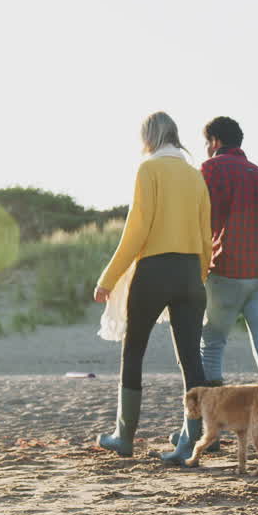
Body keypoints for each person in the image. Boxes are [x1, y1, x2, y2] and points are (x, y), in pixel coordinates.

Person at [167, 116, 258, 461]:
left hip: (229, 270)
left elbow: (203, 221)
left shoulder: (211, 169)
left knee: (212, 345)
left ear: (215, 141)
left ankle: (212, 433)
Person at [94, 112, 212, 463]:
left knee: (134, 351)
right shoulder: (195, 175)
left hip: (154, 272)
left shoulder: (149, 170)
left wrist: (107, 279)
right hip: (190, 273)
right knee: (191, 359)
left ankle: (124, 437)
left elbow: (137, 230)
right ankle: (189, 444)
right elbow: (205, 235)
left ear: (148, 138)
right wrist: (198, 276)